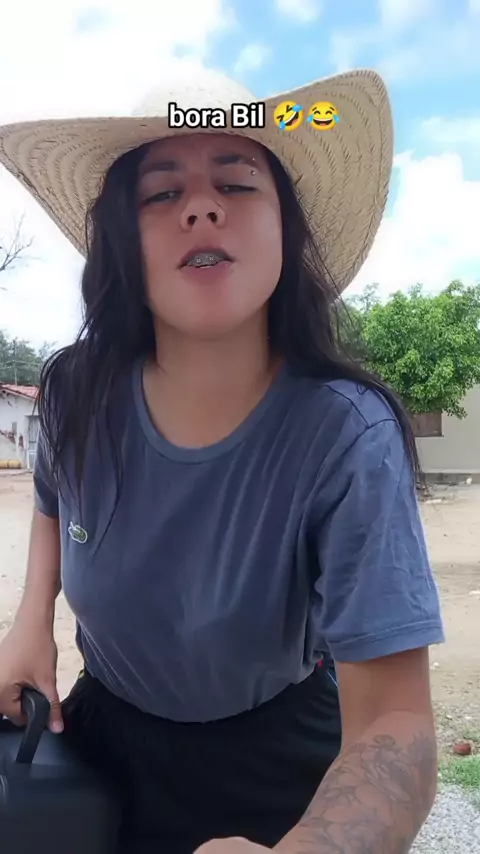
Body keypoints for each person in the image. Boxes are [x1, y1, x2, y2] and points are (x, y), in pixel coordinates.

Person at [0, 67, 444, 854]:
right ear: (122, 243)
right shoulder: (74, 391)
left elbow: (397, 722)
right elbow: (52, 500)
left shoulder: (347, 436)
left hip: (280, 768)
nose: (202, 207)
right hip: (100, 745)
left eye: (236, 184)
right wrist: (32, 620)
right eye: (162, 193)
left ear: (287, 231)